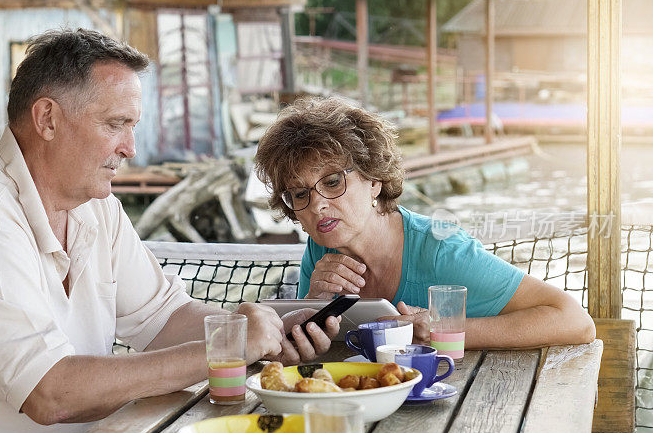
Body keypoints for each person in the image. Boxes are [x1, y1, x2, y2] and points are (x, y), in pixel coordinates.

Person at [0, 29, 339, 433]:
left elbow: (164, 317)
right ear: (47, 119)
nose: (130, 147)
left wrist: (267, 329)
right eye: (115, 124)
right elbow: (51, 394)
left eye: (132, 126)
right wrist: (226, 351)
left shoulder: (95, 208)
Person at [255, 97, 595, 349]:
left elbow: (574, 320)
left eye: (332, 183)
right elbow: (307, 355)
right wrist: (314, 307)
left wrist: (440, 332)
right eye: (300, 194)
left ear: (374, 180)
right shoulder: (321, 250)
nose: (317, 206)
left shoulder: (443, 250)